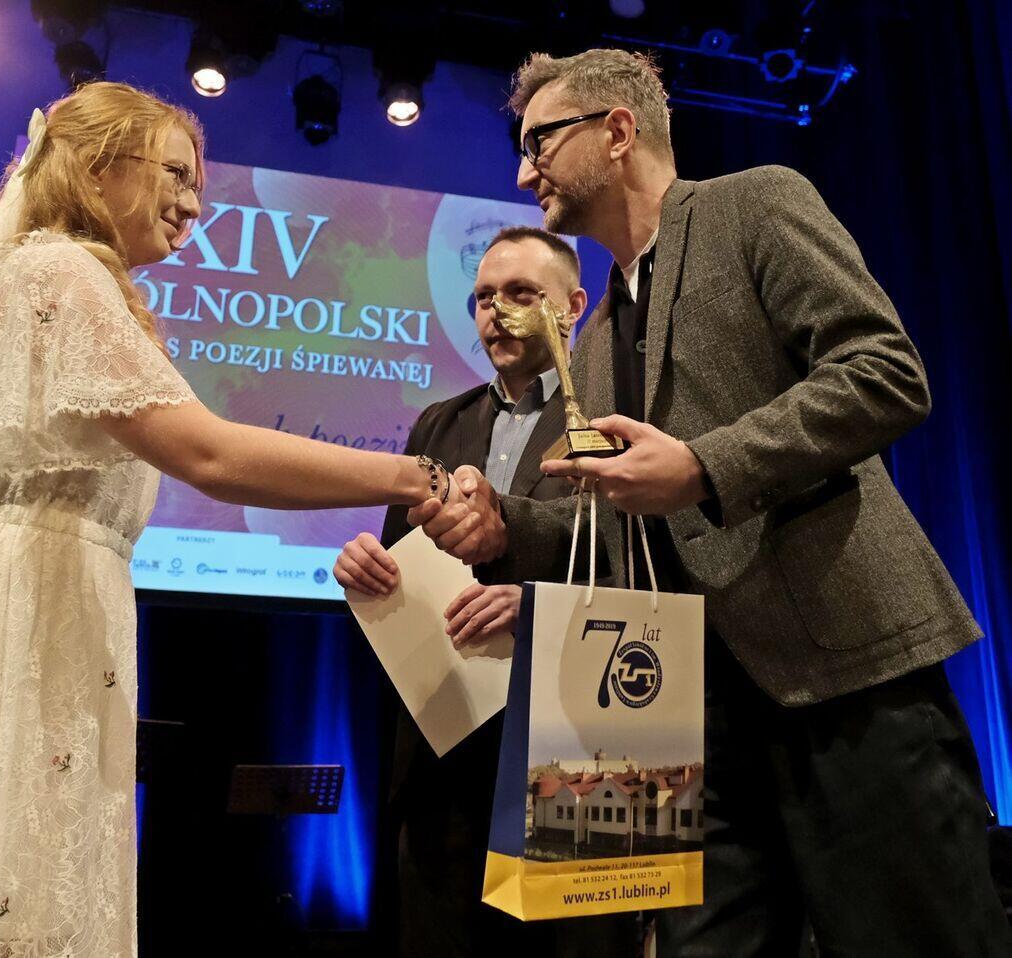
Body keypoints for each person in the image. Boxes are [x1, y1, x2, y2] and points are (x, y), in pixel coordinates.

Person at [0, 81, 464, 957]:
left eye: (198, 184)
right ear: (97, 166)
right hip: (12, 624)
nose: (194, 204)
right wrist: (413, 475)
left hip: (28, 615)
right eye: (176, 174)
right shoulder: (62, 270)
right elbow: (209, 455)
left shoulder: (42, 271)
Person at [409, 49, 1012, 956]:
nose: (523, 173)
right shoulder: (596, 333)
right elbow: (619, 522)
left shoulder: (755, 203)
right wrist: (505, 522)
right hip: (686, 719)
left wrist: (702, 464)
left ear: (618, 132)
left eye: (539, 143)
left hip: (842, 679)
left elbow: (885, 372)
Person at [335, 226, 637, 956]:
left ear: (573, 306)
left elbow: (644, 564)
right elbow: (404, 559)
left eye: (520, 294)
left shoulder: (616, 417)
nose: (494, 312)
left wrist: (537, 609)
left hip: (575, 744)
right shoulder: (440, 422)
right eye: (481, 298)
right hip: (448, 747)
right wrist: (367, 571)